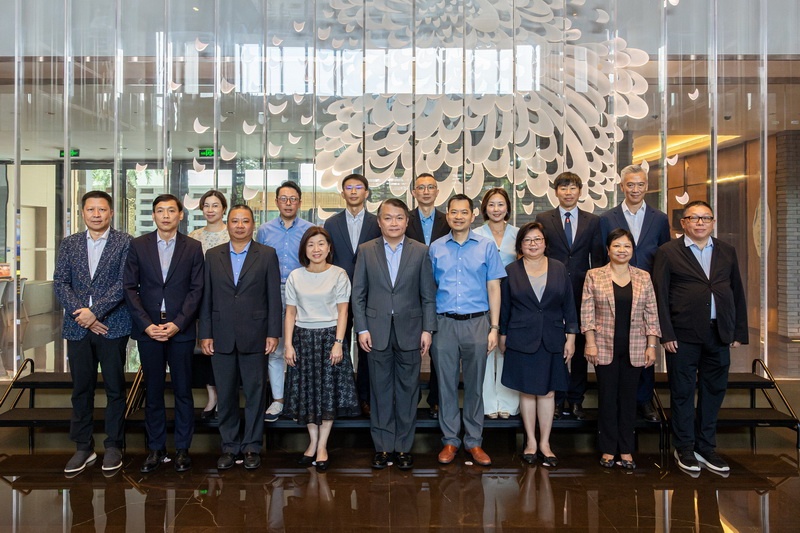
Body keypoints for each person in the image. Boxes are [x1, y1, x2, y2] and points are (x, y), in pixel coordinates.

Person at [653, 200, 748, 474]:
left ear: (713, 222)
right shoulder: (668, 252)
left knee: (714, 391)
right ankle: (684, 447)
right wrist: (665, 333)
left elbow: (736, 291)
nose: (700, 223)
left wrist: (738, 331)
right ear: (683, 223)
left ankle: (706, 447)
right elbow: (660, 294)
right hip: (682, 335)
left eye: (705, 218)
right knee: (682, 392)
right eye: (693, 218)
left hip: (718, 333)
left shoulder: (726, 251)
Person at [352, 198, 437, 470]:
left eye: (399, 218)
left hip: (411, 331)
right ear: (379, 222)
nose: (394, 223)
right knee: (380, 391)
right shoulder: (366, 250)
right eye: (388, 218)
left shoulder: (420, 251)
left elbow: (428, 296)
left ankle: (402, 447)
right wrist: (362, 328)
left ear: (407, 221)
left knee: (408, 391)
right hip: (375, 333)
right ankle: (383, 447)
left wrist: (428, 329)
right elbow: (358, 294)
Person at [123, 193, 204, 473]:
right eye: (160, 210)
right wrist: (146, 324)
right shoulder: (138, 245)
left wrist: (179, 323)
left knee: (183, 390)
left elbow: (197, 289)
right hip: (149, 329)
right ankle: (155, 449)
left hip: (180, 329)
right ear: (153, 215)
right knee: (154, 391)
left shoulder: (193, 247)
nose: (166, 215)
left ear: (180, 215)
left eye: (171, 210)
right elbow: (129, 288)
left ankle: (182, 449)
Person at [53, 191, 133, 475]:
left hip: (112, 326)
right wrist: (84, 316)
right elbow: (60, 282)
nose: (96, 214)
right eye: (91, 209)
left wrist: (95, 312)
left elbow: (124, 283)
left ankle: (114, 445)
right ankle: (83, 447)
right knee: (81, 389)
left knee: (115, 388)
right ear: (83, 212)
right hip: (78, 327)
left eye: (101, 209)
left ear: (111, 212)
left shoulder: (125, 242)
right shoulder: (70, 243)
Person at [199, 204, 282, 470]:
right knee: (225, 394)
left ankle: (252, 447)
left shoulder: (266, 254)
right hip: (221, 334)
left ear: (252, 225)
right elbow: (206, 297)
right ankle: (229, 446)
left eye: (245, 221)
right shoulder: (213, 255)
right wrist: (205, 333)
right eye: (235, 221)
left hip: (256, 334)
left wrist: (273, 333)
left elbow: (273, 297)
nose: (239, 226)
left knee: (256, 394)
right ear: (228, 224)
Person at [429, 194, 506, 466]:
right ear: (447, 214)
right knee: (446, 385)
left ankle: (474, 441)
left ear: (473, 215)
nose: (459, 217)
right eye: (454, 212)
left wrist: (494, 327)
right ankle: (450, 440)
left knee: (475, 385)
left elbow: (494, 287)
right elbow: (429, 290)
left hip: (477, 322)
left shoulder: (486, 246)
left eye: (464, 212)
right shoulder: (436, 248)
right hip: (444, 323)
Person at [581, 228, 661, 470]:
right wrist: (590, 342)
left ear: (633, 250)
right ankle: (608, 448)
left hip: (635, 347)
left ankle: (626, 450)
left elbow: (651, 314)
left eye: (627, 246)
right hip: (603, 346)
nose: (622, 250)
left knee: (628, 400)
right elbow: (587, 313)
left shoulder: (643, 277)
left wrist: (652, 345)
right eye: (617, 245)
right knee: (607, 399)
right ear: (608, 250)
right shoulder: (594, 275)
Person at [499, 222, 577, 467]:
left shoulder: (558, 268)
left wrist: (571, 336)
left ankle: (545, 443)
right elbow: (505, 307)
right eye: (527, 240)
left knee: (548, 391)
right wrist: (502, 334)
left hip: (552, 337)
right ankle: (530, 442)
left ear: (545, 243)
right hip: (521, 337)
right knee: (526, 391)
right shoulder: (511, 270)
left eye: (537, 239)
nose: (533, 244)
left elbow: (569, 305)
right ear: (520, 245)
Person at [283, 226, 361, 471]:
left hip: (330, 338)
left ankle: (323, 446)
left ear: (329, 248)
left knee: (327, 394)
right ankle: (312, 442)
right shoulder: (295, 275)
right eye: (311, 244)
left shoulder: (339, 274)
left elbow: (343, 311)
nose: (316, 249)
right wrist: (288, 344)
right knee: (308, 392)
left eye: (321, 244)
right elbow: (290, 313)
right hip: (302, 339)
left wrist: (339, 343)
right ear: (304, 249)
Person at [598, 164, 670, 422]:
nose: (635, 189)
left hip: (647, 289)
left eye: (640, 184)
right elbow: (600, 253)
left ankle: (644, 399)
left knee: (644, 344)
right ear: (622, 187)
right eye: (630, 184)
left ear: (647, 186)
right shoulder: (607, 218)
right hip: (614, 288)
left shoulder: (660, 218)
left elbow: (665, 255)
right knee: (617, 343)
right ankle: (617, 397)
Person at [535, 172, 602, 420]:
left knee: (581, 346)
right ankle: (556, 398)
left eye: (573, 188)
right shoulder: (544, 219)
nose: (568, 192)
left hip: (584, 290)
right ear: (556, 192)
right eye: (563, 188)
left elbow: (597, 258)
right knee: (556, 347)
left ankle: (576, 400)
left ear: (580, 191)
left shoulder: (593, 221)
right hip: (553, 289)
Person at [323, 173, 381, 416]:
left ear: (366, 193)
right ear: (342, 193)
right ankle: (340, 397)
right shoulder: (331, 223)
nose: (354, 191)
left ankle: (365, 397)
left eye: (359, 187)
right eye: (349, 187)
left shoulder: (377, 222)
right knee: (339, 344)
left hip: (371, 292)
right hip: (339, 293)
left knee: (367, 347)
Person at [256, 181, 314, 422]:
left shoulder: (310, 229)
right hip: (273, 291)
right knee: (276, 346)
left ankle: (303, 400)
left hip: (304, 291)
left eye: (293, 199)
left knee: (303, 347)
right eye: (283, 199)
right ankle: (278, 400)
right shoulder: (264, 230)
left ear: (300, 202)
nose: (288, 203)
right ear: (276, 202)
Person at [406, 172, 450, 420]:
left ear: (437, 192)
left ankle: (436, 400)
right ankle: (409, 401)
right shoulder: (405, 218)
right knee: (410, 351)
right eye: (421, 187)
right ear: (414, 192)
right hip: (410, 292)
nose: (425, 191)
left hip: (440, 292)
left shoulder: (448, 219)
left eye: (430, 187)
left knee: (439, 353)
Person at [473, 188, 520, 419]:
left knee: (506, 347)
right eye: (491, 204)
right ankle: (488, 403)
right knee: (485, 349)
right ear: (485, 208)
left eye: (500, 204)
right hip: (483, 297)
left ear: (507, 207)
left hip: (512, 298)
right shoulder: (475, 234)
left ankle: (508, 403)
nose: (496, 209)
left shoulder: (518, 234)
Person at [188, 189, 230, 421]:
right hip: (199, 300)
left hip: (225, 301)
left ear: (223, 208)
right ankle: (212, 396)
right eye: (206, 205)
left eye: (215, 205)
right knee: (203, 349)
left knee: (223, 349)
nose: (210, 210)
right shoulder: (194, 236)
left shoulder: (232, 233)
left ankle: (224, 397)